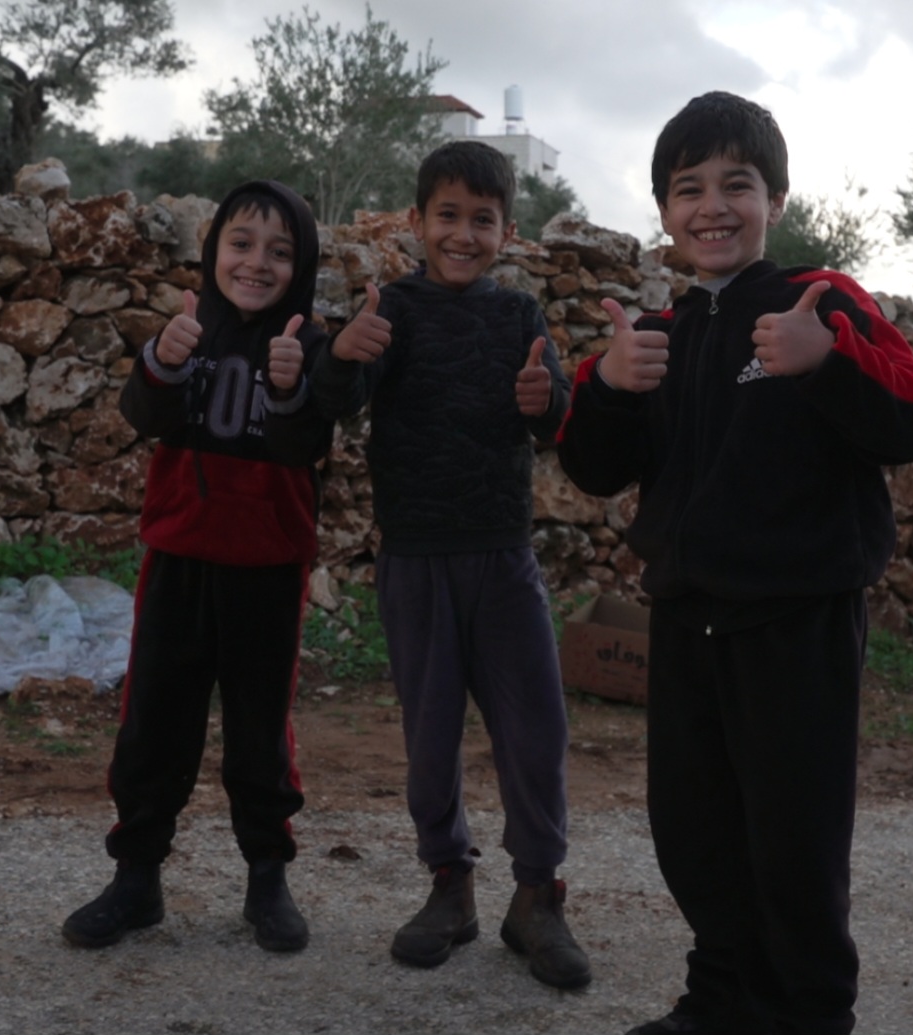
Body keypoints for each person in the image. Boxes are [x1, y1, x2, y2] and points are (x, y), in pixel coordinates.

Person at [556, 93, 913, 1034]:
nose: (712, 207)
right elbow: (591, 467)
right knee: (694, 830)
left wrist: (826, 361)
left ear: (775, 195)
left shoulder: (822, 301)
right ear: (662, 211)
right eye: (688, 189)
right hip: (686, 617)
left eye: (737, 183)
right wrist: (607, 388)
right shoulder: (656, 333)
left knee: (796, 840)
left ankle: (808, 1013)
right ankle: (719, 998)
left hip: (798, 620)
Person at [309, 140, 589, 989]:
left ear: (508, 232)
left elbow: (555, 418)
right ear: (418, 221)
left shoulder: (517, 319)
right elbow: (337, 405)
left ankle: (537, 898)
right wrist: (345, 354)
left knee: (535, 734)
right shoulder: (389, 308)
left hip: (503, 560)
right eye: (448, 216)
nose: (464, 234)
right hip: (416, 563)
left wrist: (552, 403)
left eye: (483, 219)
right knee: (429, 740)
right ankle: (450, 888)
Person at [61, 179, 334, 956]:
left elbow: (305, 445)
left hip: (269, 567)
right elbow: (141, 415)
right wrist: (159, 360)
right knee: (154, 720)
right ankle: (136, 878)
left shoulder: (310, 345)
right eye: (240, 244)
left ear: (302, 265)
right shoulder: (187, 332)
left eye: (280, 252)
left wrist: (291, 385)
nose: (256, 262)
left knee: (258, 732)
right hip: (179, 557)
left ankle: (267, 878)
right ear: (213, 251)